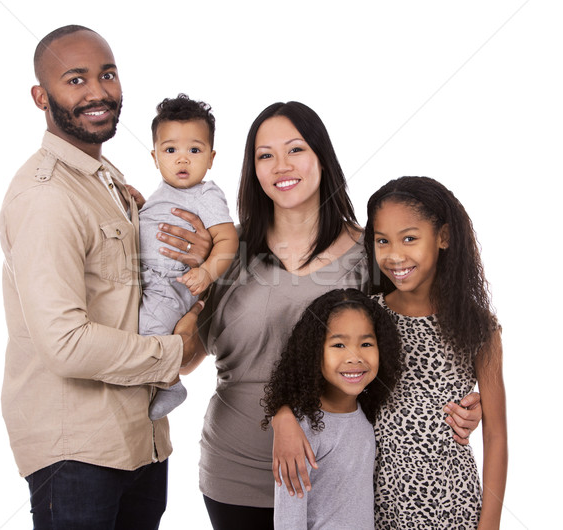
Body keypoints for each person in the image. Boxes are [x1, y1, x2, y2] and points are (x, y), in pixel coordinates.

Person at [177, 101, 480, 530]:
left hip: (340, 477)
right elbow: (187, 359)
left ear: (322, 156)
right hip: (236, 475)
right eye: (265, 155)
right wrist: (178, 304)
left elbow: (414, 345)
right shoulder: (228, 252)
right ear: (253, 169)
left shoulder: (371, 255)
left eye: (296, 149)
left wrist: (469, 401)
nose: (282, 165)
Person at [0, 25, 207, 529]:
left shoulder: (106, 177)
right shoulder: (46, 196)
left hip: (140, 438)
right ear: (40, 96)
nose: (98, 92)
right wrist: (176, 353)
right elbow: (65, 343)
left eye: (106, 74)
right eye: (76, 79)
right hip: (77, 453)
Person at [363, 176, 507, 528]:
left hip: (452, 505)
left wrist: (489, 524)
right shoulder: (366, 316)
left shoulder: (479, 328)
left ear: (442, 237)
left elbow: (496, 434)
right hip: (377, 504)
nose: (395, 255)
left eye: (409, 238)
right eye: (383, 241)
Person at [134, 94, 238, 420]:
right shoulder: (159, 195)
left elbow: (227, 239)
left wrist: (207, 272)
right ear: (154, 157)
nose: (182, 160)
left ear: (210, 157)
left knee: (149, 328)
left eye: (194, 150)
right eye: (170, 150)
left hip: (173, 282)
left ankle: (169, 384)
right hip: (145, 277)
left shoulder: (205, 194)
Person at [261, 289, 402, 530]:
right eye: (338, 345)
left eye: (366, 343)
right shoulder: (300, 430)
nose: (355, 357)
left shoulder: (368, 415)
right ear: (314, 352)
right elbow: (288, 520)